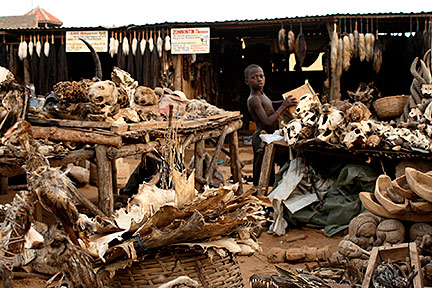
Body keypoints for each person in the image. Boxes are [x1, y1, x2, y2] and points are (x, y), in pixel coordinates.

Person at [245, 64, 297, 186]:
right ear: (247, 81)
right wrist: (283, 107)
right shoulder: (254, 99)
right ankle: (259, 197)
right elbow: (267, 121)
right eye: (254, 77)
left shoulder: (262, 95)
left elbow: (270, 104)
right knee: (261, 172)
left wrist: (285, 102)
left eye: (261, 76)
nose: (259, 79)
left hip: (270, 137)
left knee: (268, 171)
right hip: (261, 138)